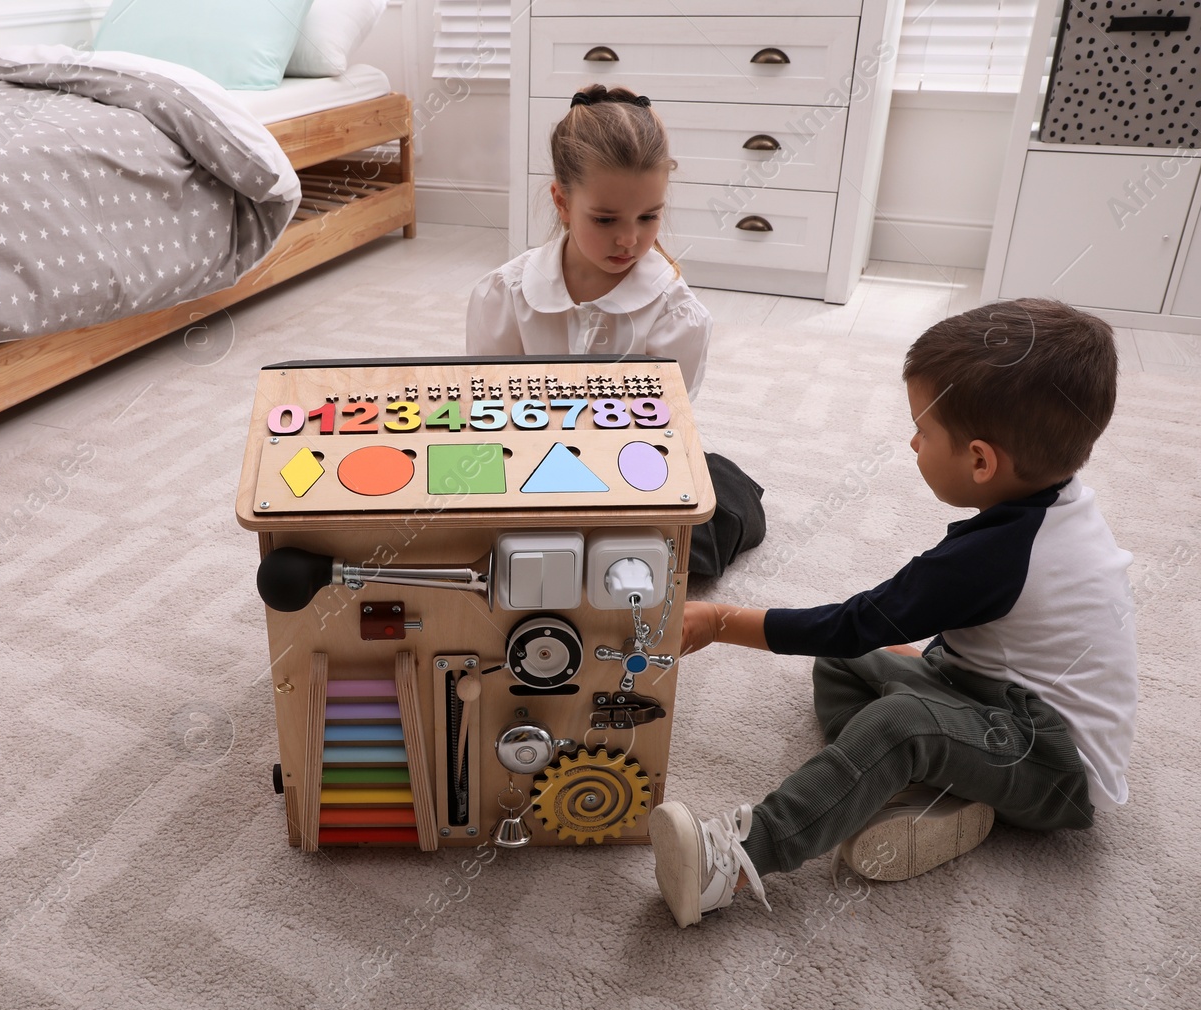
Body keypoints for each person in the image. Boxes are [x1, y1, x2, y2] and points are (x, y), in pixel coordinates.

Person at [650, 297, 1137, 928]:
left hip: (1053, 764)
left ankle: (733, 860)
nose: (913, 441)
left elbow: (856, 620)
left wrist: (720, 622)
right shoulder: (1054, 501)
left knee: (900, 721)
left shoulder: (996, 556)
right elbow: (856, 642)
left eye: (925, 431)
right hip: (1000, 700)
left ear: (982, 461)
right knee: (846, 666)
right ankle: (918, 792)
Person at [465, 83, 764, 576]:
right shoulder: (506, 293)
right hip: (525, 454)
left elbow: (654, 429)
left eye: (649, 216)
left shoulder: (676, 314)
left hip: (627, 461)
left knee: (667, 562)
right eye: (605, 219)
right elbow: (487, 407)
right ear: (561, 201)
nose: (630, 239)